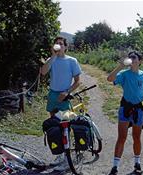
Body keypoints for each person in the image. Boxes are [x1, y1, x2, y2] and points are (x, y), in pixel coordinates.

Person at [107, 51, 143, 175]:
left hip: (138, 109)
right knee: (122, 137)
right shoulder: (124, 74)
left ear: (140, 61)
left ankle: (137, 163)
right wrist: (120, 66)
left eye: (134, 57)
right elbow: (110, 79)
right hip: (125, 107)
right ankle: (115, 167)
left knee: (137, 137)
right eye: (130, 57)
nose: (132, 59)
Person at [41, 36, 81, 171]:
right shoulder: (51, 60)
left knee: (65, 125)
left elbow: (77, 81)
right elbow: (43, 72)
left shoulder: (72, 61)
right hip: (52, 95)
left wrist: (67, 92)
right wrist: (53, 56)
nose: (58, 45)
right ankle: (60, 154)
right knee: (54, 125)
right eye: (56, 43)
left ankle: (66, 158)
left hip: (64, 96)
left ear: (65, 47)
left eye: (60, 44)